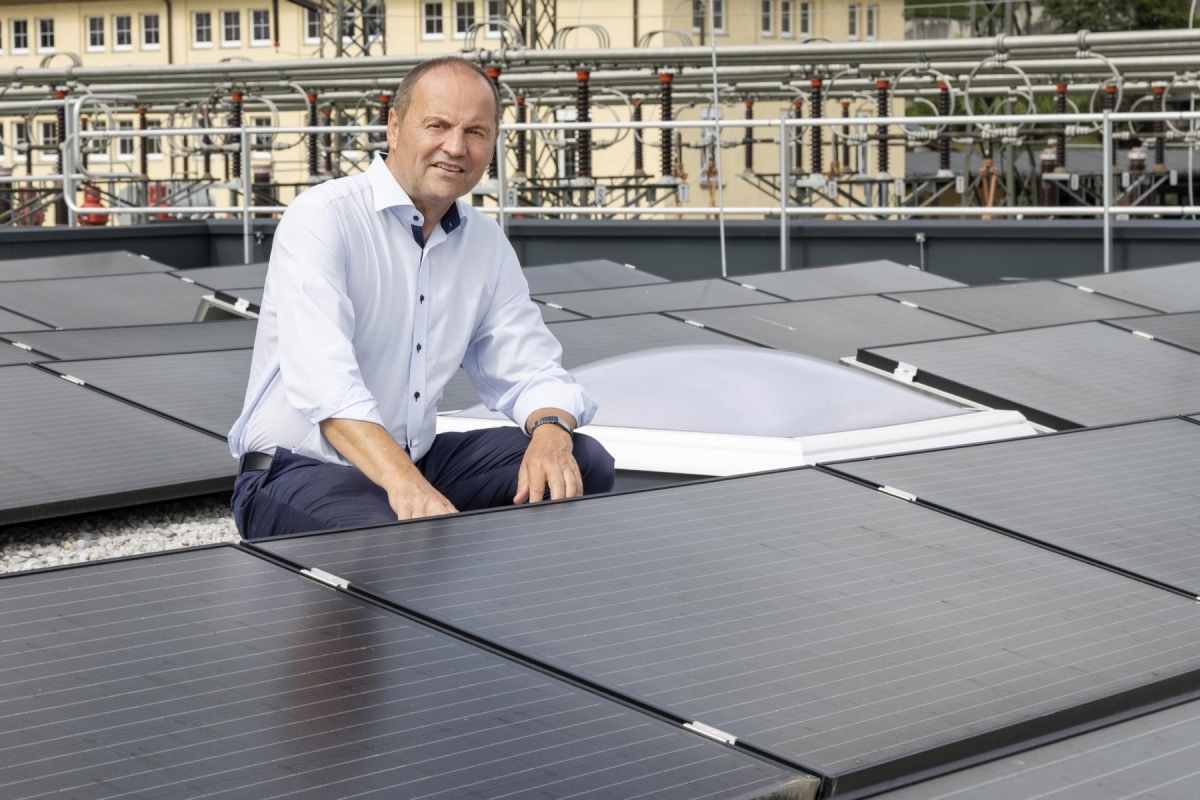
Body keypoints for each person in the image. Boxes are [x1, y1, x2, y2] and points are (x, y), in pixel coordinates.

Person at [227, 56, 615, 539]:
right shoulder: (324, 218)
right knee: (396, 536)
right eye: (438, 125)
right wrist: (408, 487)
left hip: (417, 462)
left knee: (582, 462)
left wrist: (552, 434)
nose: (455, 147)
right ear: (394, 127)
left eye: (476, 131)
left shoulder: (484, 243)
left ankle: (504, 599)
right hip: (295, 472)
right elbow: (327, 389)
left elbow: (531, 370)